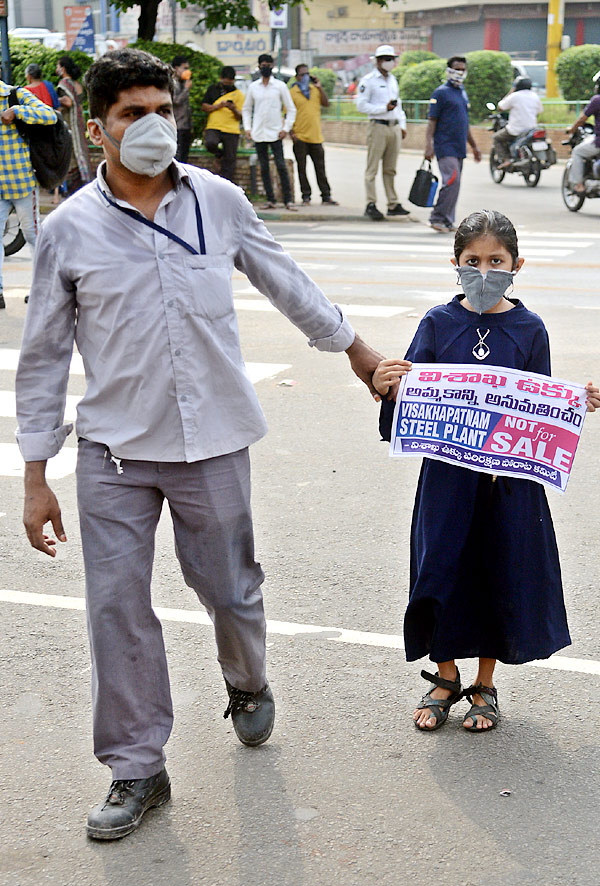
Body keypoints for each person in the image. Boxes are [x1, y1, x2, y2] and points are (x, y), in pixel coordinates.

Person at [15, 47, 383, 840]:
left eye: (161, 110)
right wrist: (35, 474)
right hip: (114, 452)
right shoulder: (68, 231)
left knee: (231, 589)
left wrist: (356, 351)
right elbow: (43, 356)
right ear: (97, 129)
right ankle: (135, 767)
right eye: (131, 115)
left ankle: (246, 681)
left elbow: (284, 277)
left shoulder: (217, 200)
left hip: (213, 441)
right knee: (116, 608)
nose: (152, 126)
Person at [374, 209, 599, 733]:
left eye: (495, 261)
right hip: (447, 482)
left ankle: (483, 684)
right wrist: (390, 385)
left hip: (508, 485)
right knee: (441, 571)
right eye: (472, 261)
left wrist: (573, 402)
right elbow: (408, 399)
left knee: (497, 571)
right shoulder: (437, 322)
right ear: (454, 262)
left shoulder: (529, 328)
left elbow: (538, 402)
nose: (484, 269)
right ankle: (445, 675)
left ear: (516, 264)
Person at [0, 79, 56, 310]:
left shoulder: (14, 95)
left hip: (21, 181)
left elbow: (50, 115)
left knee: (34, 235)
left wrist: (17, 112)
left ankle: (44, 290)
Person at [425, 56, 481, 234]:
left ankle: (448, 220)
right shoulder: (440, 93)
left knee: (455, 184)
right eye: (457, 69)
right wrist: (428, 145)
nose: (460, 72)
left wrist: (474, 146)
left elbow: (464, 123)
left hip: (459, 147)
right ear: (449, 70)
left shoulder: (462, 92)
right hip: (445, 145)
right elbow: (431, 121)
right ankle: (437, 217)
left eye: (463, 69)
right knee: (451, 181)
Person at [356, 45, 409, 221]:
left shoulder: (393, 80)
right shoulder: (368, 80)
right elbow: (361, 105)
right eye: (386, 59)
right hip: (377, 125)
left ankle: (392, 203)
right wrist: (382, 108)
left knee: (390, 168)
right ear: (378, 61)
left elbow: (398, 104)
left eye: (391, 59)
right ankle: (370, 203)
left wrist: (402, 124)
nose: (389, 62)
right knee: (372, 168)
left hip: (393, 126)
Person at [242, 53, 296, 210]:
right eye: (262, 65)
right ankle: (270, 199)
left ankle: (288, 200)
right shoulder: (253, 87)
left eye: (268, 65)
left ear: (272, 66)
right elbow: (246, 109)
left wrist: (286, 128)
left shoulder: (280, 86)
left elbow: (291, 109)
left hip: (275, 133)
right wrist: (247, 128)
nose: (265, 67)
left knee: (281, 166)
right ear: (258, 67)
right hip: (259, 133)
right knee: (263, 168)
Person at [289, 63, 337, 206]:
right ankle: (306, 196)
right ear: (297, 77)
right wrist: (291, 132)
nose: (305, 77)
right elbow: (287, 114)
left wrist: (319, 86)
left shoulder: (314, 90)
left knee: (320, 168)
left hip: (316, 137)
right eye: (302, 74)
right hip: (300, 136)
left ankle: (326, 196)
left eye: (307, 74)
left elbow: (326, 103)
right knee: (302, 169)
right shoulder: (292, 93)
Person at [201, 65, 244, 183]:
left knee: (230, 161)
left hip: (231, 129)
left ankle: (227, 185)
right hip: (214, 126)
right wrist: (217, 106)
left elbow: (240, 116)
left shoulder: (238, 94)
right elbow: (204, 107)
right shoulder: (212, 89)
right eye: (226, 81)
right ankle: (219, 155)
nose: (228, 83)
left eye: (230, 81)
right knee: (210, 142)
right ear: (221, 78)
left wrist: (234, 108)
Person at [56, 56, 92, 195]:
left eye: (58, 66)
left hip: (70, 123)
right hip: (79, 121)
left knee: (71, 153)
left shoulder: (64, 83)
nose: (56, 69)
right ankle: (86, 180)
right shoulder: (77, 84)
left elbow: (68, 102)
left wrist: (54, 99)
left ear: (63, 69)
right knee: (81, 149)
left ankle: (73, 189)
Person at [494, 76, 543, 167]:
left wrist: (511, 91)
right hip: (531, 129)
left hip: (516, 129)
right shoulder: (535, 96)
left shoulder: (514, 96)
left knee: (496, 138)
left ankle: (506, 159)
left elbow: (500, 107)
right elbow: (539, 111)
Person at [566, 69, 600, 194]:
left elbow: (581, 119)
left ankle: (579, 184)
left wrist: (571, 129)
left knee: (578, 152)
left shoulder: (597, 100)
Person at [171, 55, 193, 163]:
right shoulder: (172, 83)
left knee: (184, 157)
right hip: (177, 125)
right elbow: (175, 101)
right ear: (176, 68)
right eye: (184, 68)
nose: (187, 71)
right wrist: (186, 89)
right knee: (177, 158)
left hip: (185, 125)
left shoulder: (183, 83)